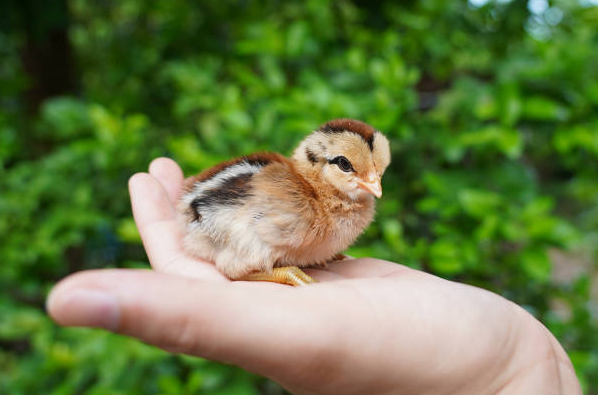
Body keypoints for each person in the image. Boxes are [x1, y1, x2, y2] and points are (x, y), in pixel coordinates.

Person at [47, 158, 581, 394]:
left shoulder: (343, 205)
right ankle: (265, 274)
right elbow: (218, 219)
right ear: (320, 163)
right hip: (224, 232)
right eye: (351, 168)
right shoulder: (301, 199)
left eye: (377, 172)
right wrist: (272, 273)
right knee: (265, 243)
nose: (370, 182)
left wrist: (517, 367)